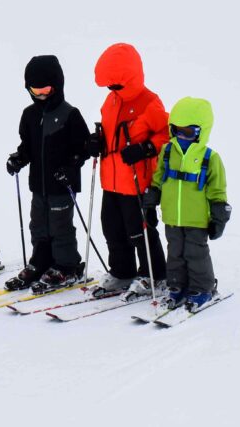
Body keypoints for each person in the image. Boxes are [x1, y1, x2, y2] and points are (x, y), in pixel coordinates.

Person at [87, 43, 169, 300]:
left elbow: (167, 134)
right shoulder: (110, 101)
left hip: (137, 181)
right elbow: (111, 134)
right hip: (110, 180)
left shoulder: (149, 102)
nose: (112, 90)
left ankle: (154, 275)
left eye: (117, 85)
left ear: (131, 78)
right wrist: (97, 141)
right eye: (109, 86)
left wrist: (146, 148)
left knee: (140, 231)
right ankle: (123, 272)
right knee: (111, 228)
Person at [5, 55, 91, 292]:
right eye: (35, 90)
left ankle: (67, 266)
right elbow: (28, 147)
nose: (41, 95)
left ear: (57, 85)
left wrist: (70, 168)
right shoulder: (29, 115)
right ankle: (40, 262)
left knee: (60, 227)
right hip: (38, 186)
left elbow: (82, 149)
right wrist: (19, 158)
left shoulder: (70, 114)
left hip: (61, 185)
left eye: (45, 89)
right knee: (38, 226)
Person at [141, 97, 231, 311]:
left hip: (197, 219)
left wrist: (219, 215)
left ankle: (203, 288)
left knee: (195, 254)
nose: (181, 136)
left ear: (201, 131)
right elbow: (158, 178)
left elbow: (217, 190)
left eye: (188, 132)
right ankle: (177, 286)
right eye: (176, 130)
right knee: (175, 253)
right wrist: (151, 200)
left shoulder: (210, 158)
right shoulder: (168, 151)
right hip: (172, 216)